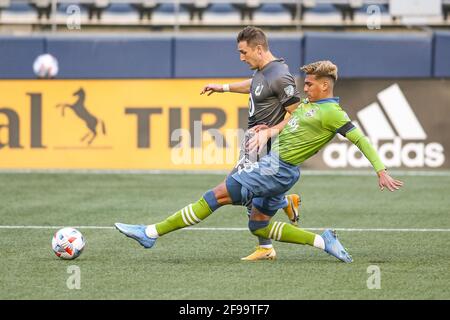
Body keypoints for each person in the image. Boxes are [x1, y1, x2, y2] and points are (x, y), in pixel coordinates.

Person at [115, 60, 404, 263]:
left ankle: (150, 232)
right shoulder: (309, 105)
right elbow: (270, 102)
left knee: (215, 195)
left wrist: (381, 171)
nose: (306, 88)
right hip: (279, 170)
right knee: (258, 226)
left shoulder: (333, 113)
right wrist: (267, 129)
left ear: (326, 86)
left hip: (276, 169)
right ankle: (322, 241)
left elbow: (361, 140)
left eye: (311, 84)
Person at [200, 26, 302, 261]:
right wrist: (223, 88)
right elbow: (254, 85)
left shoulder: (279, 74)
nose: (241, 57)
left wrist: (269, 133)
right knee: (248, 192)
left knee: (229, 190)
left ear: (258, 48)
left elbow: (297, 114)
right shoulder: (264, 71)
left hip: (266, 146)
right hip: (254, 142)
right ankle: (268, 240)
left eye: (243, 52)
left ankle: (153, 232)